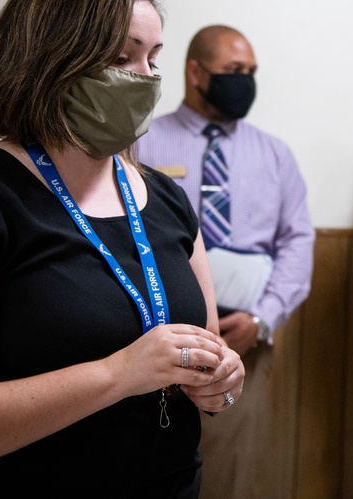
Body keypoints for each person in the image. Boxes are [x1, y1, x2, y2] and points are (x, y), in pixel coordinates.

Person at [0, 0, 244, 498]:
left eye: (153, 57)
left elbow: (204, 346)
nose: (145, 80)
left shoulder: (164, 199)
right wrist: (117, 375)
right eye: (122, 58)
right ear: (49, 62)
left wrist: (220, 380)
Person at [136, 25, 314, 499]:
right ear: (196, 72)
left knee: (228, 472)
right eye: (234, 71)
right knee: (143, 464)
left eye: (251, 72)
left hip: (243, 342)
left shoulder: (274, 154)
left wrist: (263, 318)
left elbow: (297, 241)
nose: (246, 81)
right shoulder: (141, 144)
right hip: (151, 337)